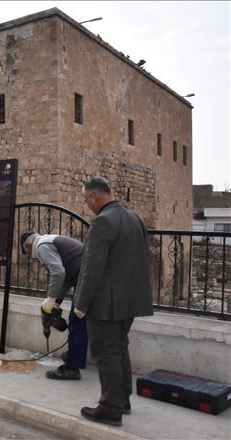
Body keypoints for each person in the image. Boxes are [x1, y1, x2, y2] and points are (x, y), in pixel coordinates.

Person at [74, 176, 153, 427]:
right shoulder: (135, 219)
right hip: (130, 299)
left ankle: (110, 408)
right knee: (120, 348)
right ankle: (123, 400)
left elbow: (92, 268)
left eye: (86, 199)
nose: (87, 204)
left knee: (106, 352)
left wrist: (81, 303)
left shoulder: (103, 221)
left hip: (106, 303)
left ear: (93, 196)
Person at [20, 231, 87, 380]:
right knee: (81, 321)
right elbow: (66, 277)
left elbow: (58, 273)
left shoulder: (41, 246)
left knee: (76, 320)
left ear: (28, 245)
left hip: (86, 275)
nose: (30, 256)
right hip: (85, 273)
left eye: (27, 252)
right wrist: (57, 302)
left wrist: (50, 298)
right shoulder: (48, 241)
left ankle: (72, 368)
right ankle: (76, 359)